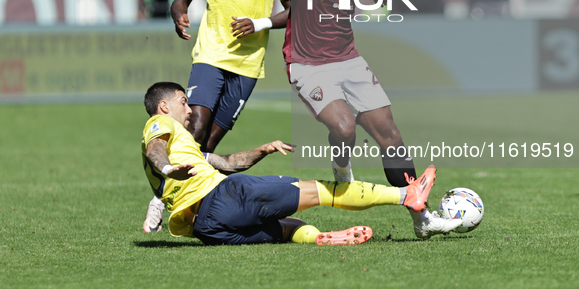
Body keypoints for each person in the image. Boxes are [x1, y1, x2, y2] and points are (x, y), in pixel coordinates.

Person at [239, 0, 453, 239]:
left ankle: (422, 219)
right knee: (344, 129)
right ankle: (341, 165)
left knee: (391, 137)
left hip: (349, 59)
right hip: (307, 64)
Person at [140, 82, 461, 245]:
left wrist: (262, 150)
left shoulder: (185, 147)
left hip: (206, 229)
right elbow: (156, 149)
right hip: (222, 197)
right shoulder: (160, 126)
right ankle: (407, 195)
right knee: (322, 190)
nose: (191, 110)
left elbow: (225, 161)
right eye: (184, 102)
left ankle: (318, 238)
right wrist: (168, 168)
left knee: (282, 229)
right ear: (164, 106)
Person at [143, 0, 291, 233]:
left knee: (208, 145)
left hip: (249, 64)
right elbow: (180, 1)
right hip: (210, 54)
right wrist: (178, 17)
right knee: (194, 129)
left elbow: (293, 10)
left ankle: (194, 203)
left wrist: (260, 23)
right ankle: (162, 196)